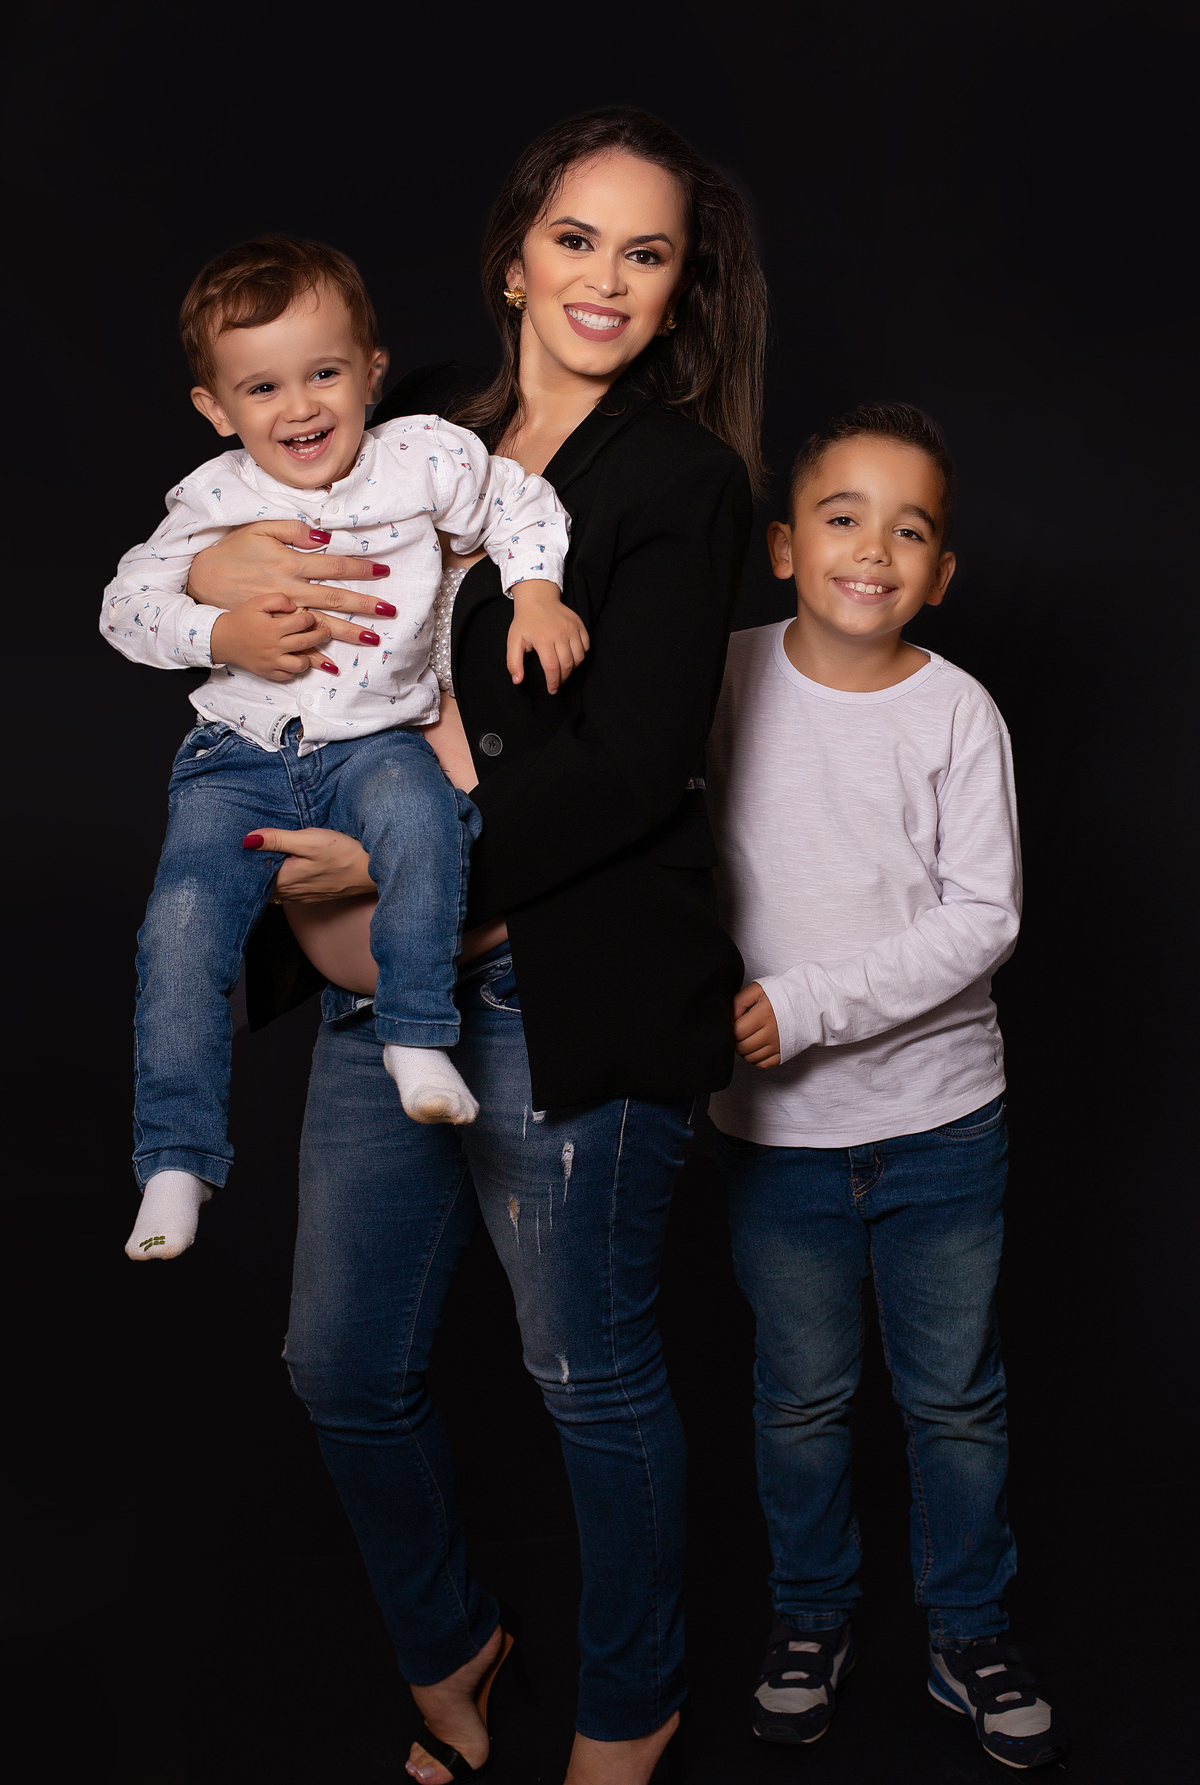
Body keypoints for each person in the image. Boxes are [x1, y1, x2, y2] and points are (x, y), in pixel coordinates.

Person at [180, 110, 767, 1785]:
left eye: (646, 253)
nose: (606, 278)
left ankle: (630, 1705)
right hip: (375, 1009)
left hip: (550, 997)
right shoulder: (408, 414)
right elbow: (255, 556)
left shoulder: (683, 482)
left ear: (679, 290)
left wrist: (402, 861)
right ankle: (454, 1642)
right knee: (341, 1367)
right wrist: (227, 598)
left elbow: (632, 767)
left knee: (590, 1377)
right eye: (577, 238)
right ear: (516, 255)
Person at [705, 403, 1067, 1770]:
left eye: (908, 530)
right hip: (774, 1138)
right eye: (842, 518)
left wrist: (804, 1006)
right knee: (800, 1401)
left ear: (942, 573)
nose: (873, 550)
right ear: (784, 547)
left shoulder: (956, 711)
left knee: (953, 1400)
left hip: (940, 1127)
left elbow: (984, 919)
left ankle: (969, 1628)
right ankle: (811, 1616)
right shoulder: (720, 678)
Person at [103, 235, 579, 1263]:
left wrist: (536, 591)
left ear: (371, 371)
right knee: (179, 926)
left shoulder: (422, 456)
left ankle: (415, 1035)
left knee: (429, 821)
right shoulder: (213, 499)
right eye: (262, 388)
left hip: (376, 742)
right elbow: (124, 607)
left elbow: (521, 503)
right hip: (237, 754)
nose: (299, 408)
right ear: (217, 409)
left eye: (324, 374)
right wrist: (219, 633)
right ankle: (175, 1158)